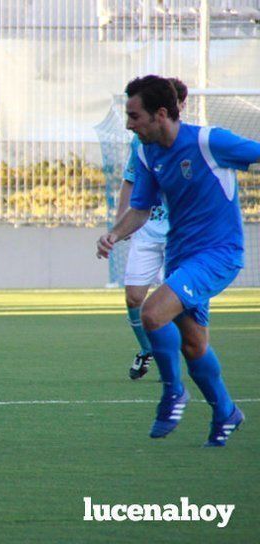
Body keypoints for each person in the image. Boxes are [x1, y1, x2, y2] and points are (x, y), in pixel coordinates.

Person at [97, 75, 260, 446]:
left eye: (134, 116)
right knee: (193, 345)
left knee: (152, 313)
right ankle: (226, 412)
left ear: (161, 114)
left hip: (218, 254)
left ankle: (173, 392)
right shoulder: (146, 152)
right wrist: (114, 234)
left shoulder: (208, 141)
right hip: (181, 257)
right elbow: (141, 209)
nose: (128, 124)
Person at [116, 78, 187, 380]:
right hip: (146, 227)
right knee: (134, 297)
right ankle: (148, 349)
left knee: (172, 303)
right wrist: (120, 223)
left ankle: (175, 361)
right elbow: (131, 180)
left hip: (178, 233)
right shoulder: (141, 142)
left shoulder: (191, 141)